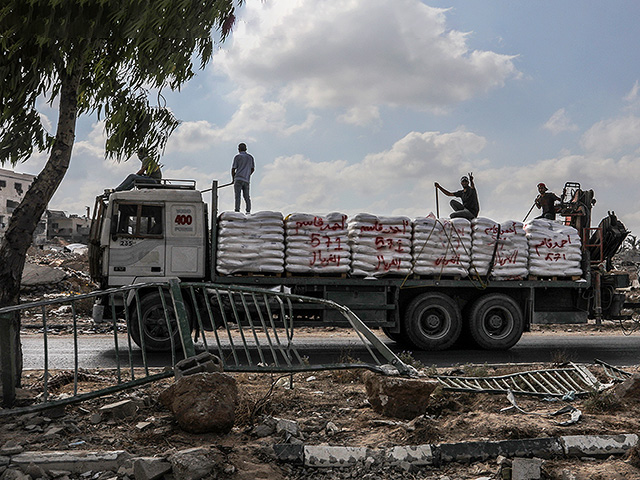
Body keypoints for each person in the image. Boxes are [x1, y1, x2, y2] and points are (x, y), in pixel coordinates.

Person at [232, 142, 255, 214]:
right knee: (247, 196)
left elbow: (233, 169)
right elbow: (252, 169)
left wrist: (233, 179)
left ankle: (237, 211)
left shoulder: (237, 157)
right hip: (246, 180)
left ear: (238, 149)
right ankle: (248, 211)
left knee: (237, 196)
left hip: (238, 178)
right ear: (246, 149)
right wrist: (248, 175)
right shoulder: (250, 157)